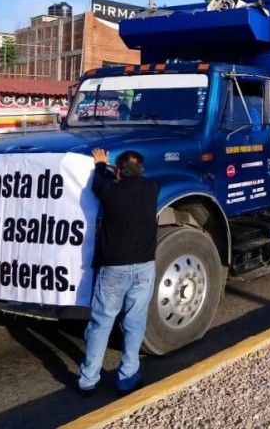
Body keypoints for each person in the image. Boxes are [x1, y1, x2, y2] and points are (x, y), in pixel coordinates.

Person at [77, 148, 159, 397]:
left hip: (114, 270)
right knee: (134, 323)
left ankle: (88, 380)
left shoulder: (110, 193)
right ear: (141, 170)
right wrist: (117, 170)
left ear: (119, 172)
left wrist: (102, 164)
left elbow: (98, 183)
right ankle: (127, 378)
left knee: (101, 323)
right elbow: (133, 180)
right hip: (144, 267)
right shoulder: (152, 188)